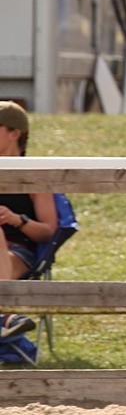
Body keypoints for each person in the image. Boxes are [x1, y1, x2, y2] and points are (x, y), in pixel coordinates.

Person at [0, 101, 56, 340]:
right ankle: (4, 321)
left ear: (15, 133)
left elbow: (48, 233)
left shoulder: (34, 176)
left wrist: (16, 220)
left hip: (17, 253)